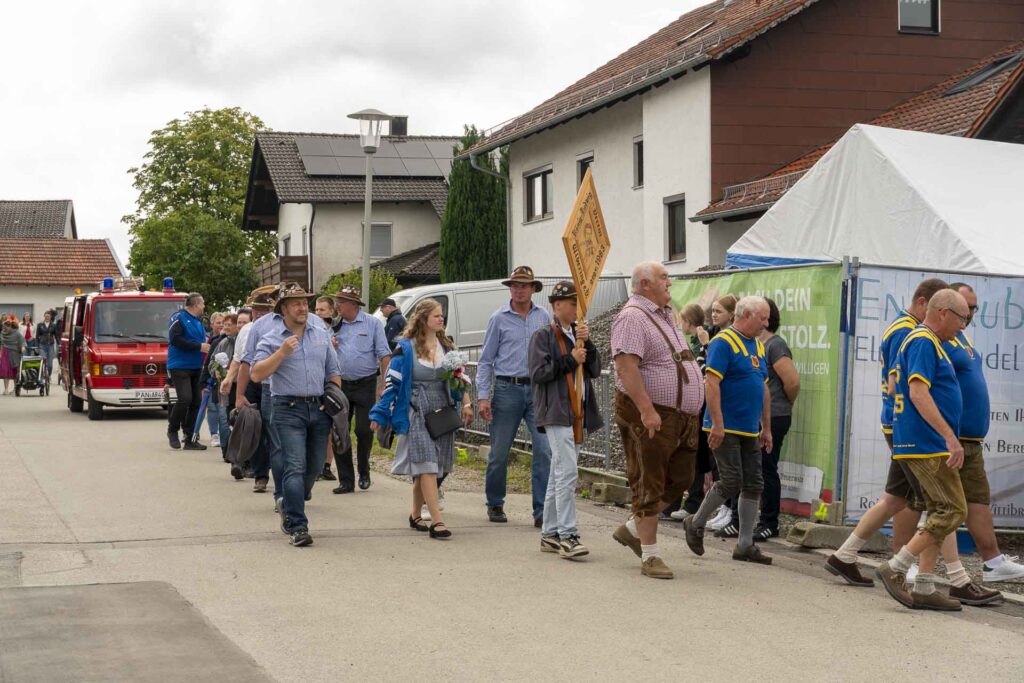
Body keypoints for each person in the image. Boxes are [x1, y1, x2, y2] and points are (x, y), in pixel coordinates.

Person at [875, 289, 999, 610]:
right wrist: (949, 436)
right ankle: (897, 567)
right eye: (961, 317)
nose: (964, 325)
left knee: (940, 511)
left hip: (925, 441)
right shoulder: (923, 341)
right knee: (952, 510)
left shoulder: (932, 342)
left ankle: (926, 585)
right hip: (925, 442)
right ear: (942, 313)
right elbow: (918, 393)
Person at [824, 278, 949, 586]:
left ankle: (845, 554)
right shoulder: (908, 331)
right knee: (937, 504)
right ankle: (912, 571)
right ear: (923, 303)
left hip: (899, 423)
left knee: (895, 497)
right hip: (907, 425)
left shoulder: (901, 326)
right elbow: (899, 382)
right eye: (934, 309)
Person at [611, 262, 703, 579]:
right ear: (645, 283)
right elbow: (626, 367)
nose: (670, 283)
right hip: (652, 414)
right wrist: (646, 410)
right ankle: (650, 555)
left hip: (681, 416)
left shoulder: (663, 313)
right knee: (648, 482)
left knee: (681, 478)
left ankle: (631, 529)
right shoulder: (632, 316)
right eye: (664, 277)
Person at [934, 283, 1024, 583]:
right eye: (966, 309)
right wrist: (945, 432)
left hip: (970, 440)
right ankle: (907, 563)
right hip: (951, 438)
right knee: (929, 503)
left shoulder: (961, 339)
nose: (970, 314)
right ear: (947, 308)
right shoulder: (938, 340)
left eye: (974, 308)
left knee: (977, 500)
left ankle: (993, 561)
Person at [370, 298, 473, 540]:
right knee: (426, 462)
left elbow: (459, 379)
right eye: (436, 315)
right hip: (416, 408)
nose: (441, 319)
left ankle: (415, 513)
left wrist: (466, 403)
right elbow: (391, 385)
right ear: (423, 318)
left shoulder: (447, 347)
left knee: (434, 465)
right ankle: (437, 521)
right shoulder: (405, 348)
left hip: (443, 410)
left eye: (442, 316)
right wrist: (379, 413)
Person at [682, 296, 773, 566]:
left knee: (754, 483)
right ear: (746, 315)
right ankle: (696, 522)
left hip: (749, 428)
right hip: (727, 426)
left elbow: (763, 388)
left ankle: (745, 544)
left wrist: (766, 427)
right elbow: (712, 383)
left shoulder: (757, 345)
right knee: (731, 480)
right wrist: (718, 423)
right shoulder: (723, 342)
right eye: (763, 318)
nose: (766, 324)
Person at [252, 284, 341, 548]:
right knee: (295, 464)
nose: (303, 308)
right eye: (296, 304)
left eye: (305, 303)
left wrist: (333, 401)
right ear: (283, 309)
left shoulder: (321, 334)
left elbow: (333, 371)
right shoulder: (271, 338)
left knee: (314, 467)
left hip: (319, 409)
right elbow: (257, 374)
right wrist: (281, 353)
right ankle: (298, 526)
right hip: (287, 409)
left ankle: (289, 503)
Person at [529, 281, 602, 560]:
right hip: (556, 411)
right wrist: (570, 359)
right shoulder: (542, 336)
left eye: (578, 305)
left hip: (577, 412)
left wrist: (589, 343)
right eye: (572, 304)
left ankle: (549, 533)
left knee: (559, 472)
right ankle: (567, 534)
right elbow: (539, 373)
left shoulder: (578, 335)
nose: (576, 310)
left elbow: (594, 369)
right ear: (557, 306)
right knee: (568, 471)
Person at [717, 298, 800, 540]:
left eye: (764, 317)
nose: (761, 321)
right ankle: (737, 520)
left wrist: (781, 405)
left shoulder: (775, 345)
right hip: (751, 417)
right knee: (743, 470)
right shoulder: (748, 343)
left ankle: (769, 522)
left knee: (765, 469)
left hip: (774, 415)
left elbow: (792, 382)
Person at [477, 265, 553, 525]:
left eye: (524, 285)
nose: (519, 290)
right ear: (510, 288)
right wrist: (483, 396)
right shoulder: (499, 318)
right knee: (499, 452)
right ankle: (495, 503)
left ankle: (541, 510)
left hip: (538, 390)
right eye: (515, 285)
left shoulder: (543, 317)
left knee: (544, 451)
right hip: (507, 389)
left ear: (533, 289)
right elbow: (486, 360)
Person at [332, 285, 392, 494]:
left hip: (366, 383)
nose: (337, 305)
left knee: (364, 430)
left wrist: (383, 384)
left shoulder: (373, 323)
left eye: (341, 302)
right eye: (337, 301)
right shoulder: (334, 325)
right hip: (340, 384)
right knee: (340, 431)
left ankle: (364, 470)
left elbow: (384, 355)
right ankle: (346, 480)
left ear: (353, 304)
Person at [236, 286, 283, 494]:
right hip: (256, 382)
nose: (258, 314)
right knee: (259, 429)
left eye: (263, 310)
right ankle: (261, 474)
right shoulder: (252, 328)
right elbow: (242, 360)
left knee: (277, 436)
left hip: (274, 382)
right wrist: (240, 393)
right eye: (256, 310)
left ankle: (288, 481)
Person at [668, 302, 710, 521]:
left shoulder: (702, 342)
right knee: (681, 455)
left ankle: (694, 502)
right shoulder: (691, 341)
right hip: (688, 405)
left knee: (693, 456)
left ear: (688, 321)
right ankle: (673, 502)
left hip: (699, 406)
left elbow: (701, 370)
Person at [701, 295, 737, 531]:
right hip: (713, 410)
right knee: (718, 466)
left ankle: (729, 510)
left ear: (732, 314)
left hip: (728, 411)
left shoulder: (724, 340)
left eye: (719, 311)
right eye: (712, 311)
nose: (714, 315)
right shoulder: (715, 336)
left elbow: (710, 372)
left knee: (730, 469)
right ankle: (722, 508)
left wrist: (705, 345)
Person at [167, 293, 211, 450]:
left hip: (196, 366)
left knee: (196, 402)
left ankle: (189, 437)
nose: (204, 306)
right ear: (196, 304)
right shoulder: (179, 318)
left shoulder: (198, 322)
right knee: (185, 398)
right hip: (179, 365)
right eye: (203, 303)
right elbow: (175, 339)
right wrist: (199, 346)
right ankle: (172, 430)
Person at [204, 313, 238, 463]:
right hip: (225, 388)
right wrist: (215, 370)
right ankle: (226, 452)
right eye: (225, 324)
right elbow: (211, 362)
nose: (226, 327)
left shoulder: (245, 342)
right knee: (224, 419)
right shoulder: (222, 343)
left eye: (230, 324)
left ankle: (240, 453)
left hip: (240, 387)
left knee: (238, 421)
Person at [313, 296, 338, 482]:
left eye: (322, 310)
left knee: (330, 426)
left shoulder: (337, 331)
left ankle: (327, 465)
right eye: (316, 309)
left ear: (331, 311)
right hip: (315, 382)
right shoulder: (312, 330)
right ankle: (314, 463)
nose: (318, 313)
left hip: (332, 382)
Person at [205, 312, 225, 448]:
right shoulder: (209, 341)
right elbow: (206, 362)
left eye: (224, 323)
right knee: (212, 406)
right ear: (212, 324)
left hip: (224, 377)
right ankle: (214, 434)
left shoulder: (226, 339)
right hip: (210, 377)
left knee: (221, 407)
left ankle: (224, 432)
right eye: (218, 323)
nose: (221, 325)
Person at [0, 320, 26, 394]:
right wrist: (1, 354)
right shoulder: (2, 333)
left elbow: (22, 341)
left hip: (15, 353)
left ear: (10, 327)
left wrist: (23, 347)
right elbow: (2, 343)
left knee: (15, 371)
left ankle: (15, 389)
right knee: (5, 371)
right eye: (3, 327)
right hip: (5, 352)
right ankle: (6, 389)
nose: (4, 329)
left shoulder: (16, 333)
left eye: (5, 327)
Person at [34, 311, 58, 384]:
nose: (47, 317)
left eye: (48, 316)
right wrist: (37, 346)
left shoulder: (53, 325)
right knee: (43, 361)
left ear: (50, 317)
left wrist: (60, 344)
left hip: (50, 345)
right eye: (46, 316)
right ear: (44, 317)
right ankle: (42, 376)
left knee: (50, 364)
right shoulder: (40, 325)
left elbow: (56, 336)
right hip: (42, 345)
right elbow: (37, 337)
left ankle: (49, 376)